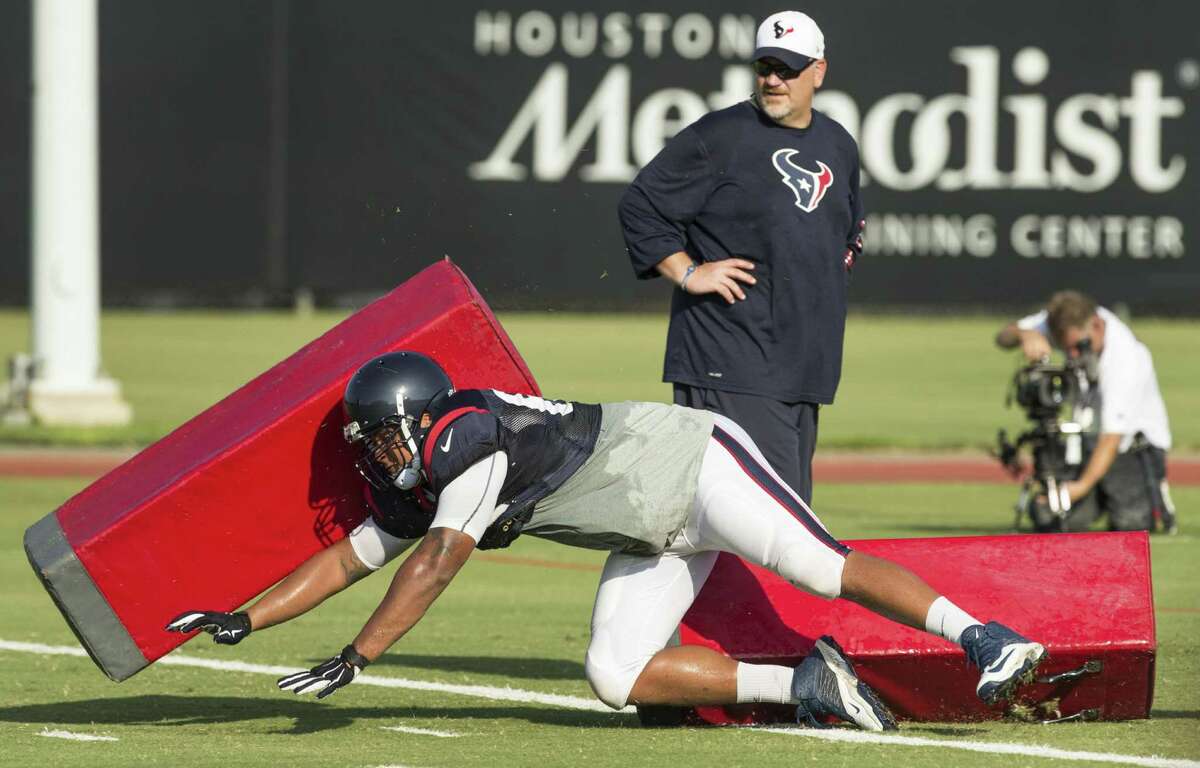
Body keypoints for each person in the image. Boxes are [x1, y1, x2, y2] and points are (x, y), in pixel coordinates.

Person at [168, 351, 1044, 731]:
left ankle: (984, 635)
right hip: (652, 524)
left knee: (818, 563)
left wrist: (359, 656)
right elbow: (352, 554)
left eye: (381, 436)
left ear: (416, 420)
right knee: (613, 676)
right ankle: (807, 679)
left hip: (697, 467)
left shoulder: (465, 438)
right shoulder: (425, 464)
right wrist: (249, 618)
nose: (378, 453)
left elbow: (435, 564)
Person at [618, 10, 865, 505]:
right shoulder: (722, 135)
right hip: (730, 360)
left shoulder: (837, 143)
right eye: (764, 66)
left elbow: (846, 229)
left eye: (787, 68)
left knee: (777, 525)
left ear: (818, 71)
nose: (773, 79)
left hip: (801, 366)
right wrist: (687, 272)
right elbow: (640, 205)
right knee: (766, 525)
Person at [996, 290, 1176, 533]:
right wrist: (1024, 334)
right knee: (1048, 518)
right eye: (1064, 348)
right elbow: (1002, 338)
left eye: (1077, 347)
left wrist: (1079, 488)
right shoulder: (1062, 321)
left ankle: (1155, 500)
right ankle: (1098, 497)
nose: (1072, 355)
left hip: (1131, 447)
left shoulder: (1125, 359)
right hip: (1086, 442)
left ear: (1097, 325)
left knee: (1130, 525)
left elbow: (1112, 437)